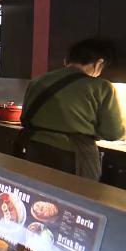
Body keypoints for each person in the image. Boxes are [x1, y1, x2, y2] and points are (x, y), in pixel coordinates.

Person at [18, 39, 125, 180]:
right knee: (77, 193)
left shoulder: (37, 81)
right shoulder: (101, 87)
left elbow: (24, 118)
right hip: (74, 156)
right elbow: (113, 133)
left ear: (66, 60)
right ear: (99, 63)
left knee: (35, 191)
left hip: (34, 149)